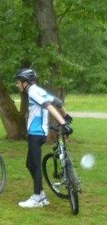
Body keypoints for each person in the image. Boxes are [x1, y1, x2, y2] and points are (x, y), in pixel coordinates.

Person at [14, 68, 73, 208]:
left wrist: (63, 123)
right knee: (30, 164)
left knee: (34, 165)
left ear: (25, 83)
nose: (17, 85)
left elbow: (50, 107)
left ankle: (37, 198)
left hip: (37, 133)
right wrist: (65, 115)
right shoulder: (38, 90)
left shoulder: (33, 92)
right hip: (38, 132)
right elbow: (57, 102)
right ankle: (41, 195)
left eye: (18, 82)